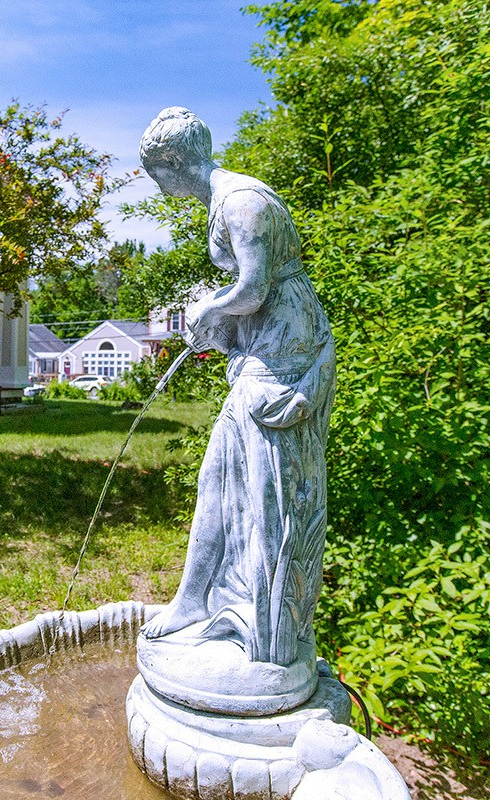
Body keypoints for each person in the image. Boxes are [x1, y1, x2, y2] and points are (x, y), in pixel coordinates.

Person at [139, 107, 336, 669]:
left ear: (175, 160)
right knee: (220, 477)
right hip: (265, 348)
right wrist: (222, 322)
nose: (157, 185)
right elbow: (249, 292)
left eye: (157, 172)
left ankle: (267, 627)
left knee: (264, 489)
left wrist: (209, 308)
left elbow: (253, 286)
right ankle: (193, 600)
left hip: (283, 357)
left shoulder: (242, 201)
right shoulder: (222, 202)